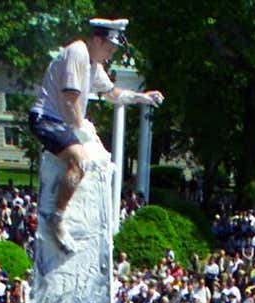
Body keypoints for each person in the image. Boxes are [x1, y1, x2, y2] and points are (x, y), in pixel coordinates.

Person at [27, 18, 163, 252]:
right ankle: (57, 219)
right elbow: (70, 99)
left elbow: (112, 93)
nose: (110, 56)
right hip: (47, 119)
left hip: (61, 123)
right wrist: (81, 128)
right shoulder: (77, 53)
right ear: (97, 40)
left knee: (86, 157)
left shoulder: (93, 65)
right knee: (79, 161)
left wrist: (143, 98)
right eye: (109, 49)